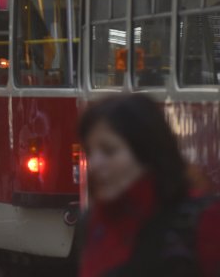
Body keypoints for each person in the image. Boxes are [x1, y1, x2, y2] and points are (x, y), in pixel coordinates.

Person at [78, 94, 220, 277]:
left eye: (109, 151)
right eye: (90, 151)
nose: (94, 164)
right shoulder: (92, 224)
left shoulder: (204, 220)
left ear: (147, 152)